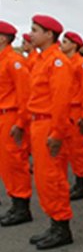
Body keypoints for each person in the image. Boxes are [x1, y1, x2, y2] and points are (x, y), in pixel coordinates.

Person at [23, 15, 75, 250]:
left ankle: (62, 226)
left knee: (53, 178)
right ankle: (54, 223)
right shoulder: (42, 60)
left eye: (35, 30)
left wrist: (57, 132)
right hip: (38, 123)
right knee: (43, 179)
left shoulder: (57, 62)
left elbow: (61, 101)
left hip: (49, 124)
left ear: (49, 35)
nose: (31, 34)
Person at [0, 20, 33, 227]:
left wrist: (21, 122)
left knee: (15, 161)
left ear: (3, 38)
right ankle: (15, 202)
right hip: (3, 115)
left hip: (12, 116)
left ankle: (22, 207)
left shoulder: (14, 61)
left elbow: (25, 95)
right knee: (6, 163)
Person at [60, 31, 83, 201]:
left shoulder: (82, 65)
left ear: (74, 45)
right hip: (66, 109)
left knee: (79, 150)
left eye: (65, 41)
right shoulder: (65, 63)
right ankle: (76, 182)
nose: (61, 44)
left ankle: (82, 185)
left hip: (77, 109)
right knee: (69, 150)